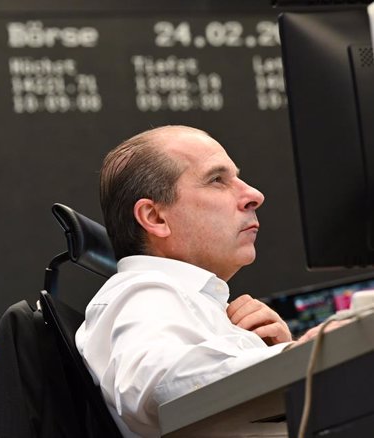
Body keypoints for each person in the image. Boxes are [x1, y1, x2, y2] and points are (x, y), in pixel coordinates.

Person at [75, 125, 334, 438]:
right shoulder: (143, 292)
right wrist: (301, 358)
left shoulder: (183, 299)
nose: (254, 195)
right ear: (155, 218)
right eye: (217, 180)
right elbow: (155, 383)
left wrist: (276, 363)